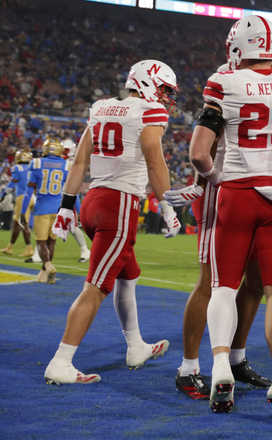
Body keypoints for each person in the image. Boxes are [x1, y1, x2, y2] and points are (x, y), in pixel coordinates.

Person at [189, 14, 272, 417]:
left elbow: (198, 153)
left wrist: (215, 177)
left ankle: (221, 365)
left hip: (238, 193)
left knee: (224, 287)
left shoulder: (223, 83)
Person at [44, 60, 182, 385]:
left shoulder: (102, 107)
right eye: (163, 89)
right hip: (118, 207)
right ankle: (61, 362)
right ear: (149, 84)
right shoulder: (148, 113)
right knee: (95, 288)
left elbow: (79, 161)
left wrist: (67, 206)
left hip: (93, 201)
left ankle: (136, 346)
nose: (164, 97)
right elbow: (154, 161)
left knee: (129, 275)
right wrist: (167, 205)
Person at [164, 53, 272, 400]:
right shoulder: (227, 81)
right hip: (223, 189)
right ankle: (188, 368)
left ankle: (237, 359)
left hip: (259, 192)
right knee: (212, 282)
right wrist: (205, 180)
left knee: (256, 281)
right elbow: (204, 142)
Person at [26, 137, 70, 284]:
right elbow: (71, 190)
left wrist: (22, 212)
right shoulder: (66, 165)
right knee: (52, 242)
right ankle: (45, 273)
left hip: (42, 208)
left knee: (41, 242)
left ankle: (48, 265)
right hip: (58, 208)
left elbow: (29, 189)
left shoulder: (37, 163)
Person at [60, 139, 91, 262]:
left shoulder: (70, 164)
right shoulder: (62, 163)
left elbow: (74, 188)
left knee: (72, 226)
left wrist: (78, 208)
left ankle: (85, 250)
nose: (62, 153)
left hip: (65, 197)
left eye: (65, 150)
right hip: (55, 197)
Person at [0, 149, 34, 258]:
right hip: (32, 196)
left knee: (23, 223)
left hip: (22, 197)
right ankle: (9, 247)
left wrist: (4, 193)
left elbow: (13, 181)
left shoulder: (17, 168)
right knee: (16, 224)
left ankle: (29, 248)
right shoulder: (32, 167)